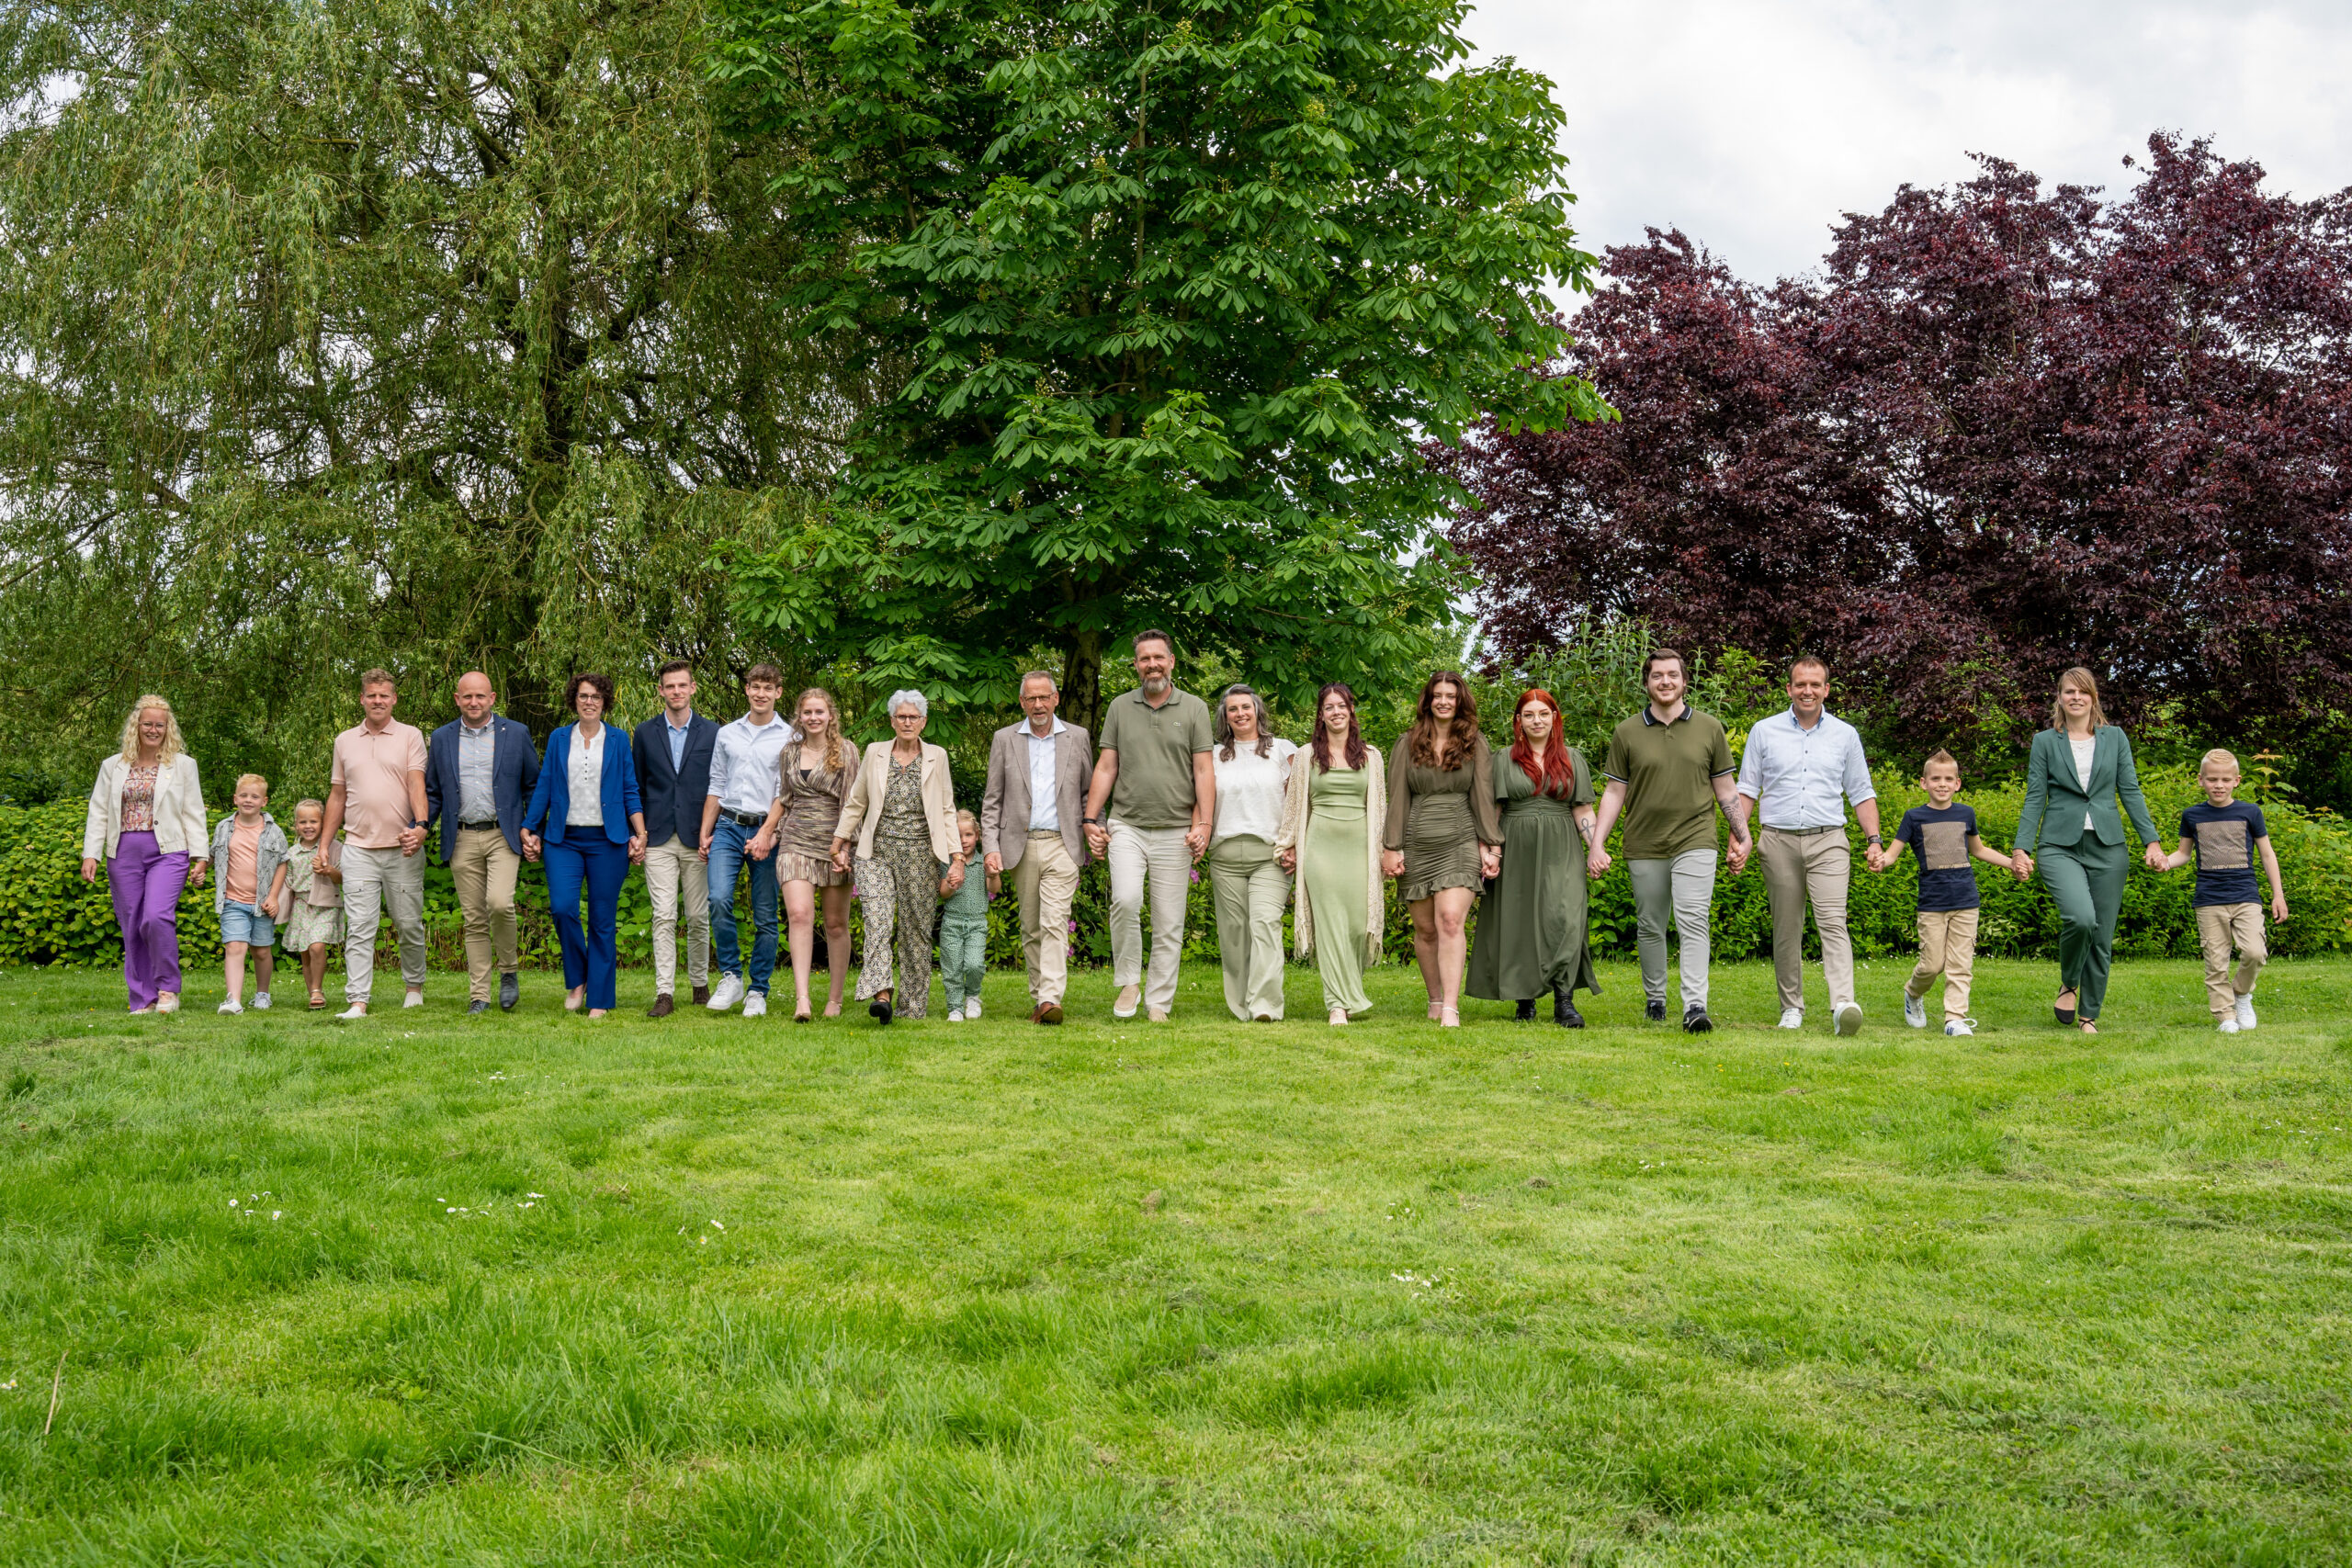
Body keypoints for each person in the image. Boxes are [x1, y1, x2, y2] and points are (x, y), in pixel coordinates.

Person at [1589, 649, 1747, 1033]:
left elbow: (1726, 790)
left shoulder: (1710, 727)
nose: (1665, 681)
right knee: (1650, 924)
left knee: (1693, 918)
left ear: (1684, 681)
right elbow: (1613, 792)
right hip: (1644, 841)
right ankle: (1655, 999)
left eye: (1672, 675)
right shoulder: (1627, 731)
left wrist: (1741, 837)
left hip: (1696, 837)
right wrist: (1597, 844)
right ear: (1646, 683)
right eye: (1657, 675)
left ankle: (1695, 1005)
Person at [1728, 657, 1882, 1035]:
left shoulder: (1845, 735)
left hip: (1829, 840)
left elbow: (1861, 792)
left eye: (1815, 684)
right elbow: (1746, 790)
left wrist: (1874, 840)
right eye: (1800, 684)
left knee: (1832, 922)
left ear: (1827, 689)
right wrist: (1738, 838)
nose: (1808, 691)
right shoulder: (1764, 732)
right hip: (1777, 840)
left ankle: (1843, 1003)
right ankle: (1791, 1007)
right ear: (1789, 689)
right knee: (1787, 927)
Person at [2011, 666, 2166, 1034]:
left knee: (2102, 934)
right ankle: (2068, 982)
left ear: (2093, 698)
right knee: (2080, 918)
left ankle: (2088, 1016)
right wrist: (2021, 848)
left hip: (2108, 846)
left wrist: (2152, 841)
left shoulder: (2115, 738)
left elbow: (2130, 790)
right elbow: (2035, 797)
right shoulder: (2045, 741)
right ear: (2060, 698)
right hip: (2058, 845)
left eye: (2083, 692)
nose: (2075, 698)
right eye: (2068, 692)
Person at [1083, 632, 1216, 1021]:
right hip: (1127, 825)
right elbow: (1107, 766)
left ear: (1172, 661)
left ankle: (1159, 1001)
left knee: (1169, 921)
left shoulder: (1194, 708)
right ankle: (1128, 981)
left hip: (1177, 830)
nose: (1152, 664)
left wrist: (1204, 824)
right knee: (1124, 900)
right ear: (1136, 664)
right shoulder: (1120, 707)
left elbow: (1204, 769)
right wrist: (1091, 819)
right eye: (1144, 659)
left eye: (1159, 657)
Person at [1466, 689, 1600, 1027]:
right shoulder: (1503, 758)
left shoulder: (1572, 758)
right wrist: (1492, 851)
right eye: (1529, 715)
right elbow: (1493, 810)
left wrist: (1596, 847)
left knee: (1566, 918)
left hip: (1562, 847)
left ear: (1555, 717)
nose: (1536, 720)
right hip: (1515, 844)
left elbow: (1583, 808)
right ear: (1519, 721)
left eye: (1543, 713)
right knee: (1519, 920)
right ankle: (1524, 1001)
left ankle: (1564, 1001)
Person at [519, 672, 648, 1019]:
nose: (589, 701)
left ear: (605, 702)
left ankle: (600, 999)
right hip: (564, 840)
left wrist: (641, 833)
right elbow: (545, 785)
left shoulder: (619, 740)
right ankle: (578, 980)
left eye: (596, 696)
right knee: (562, 908)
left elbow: (630, 789)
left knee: (602, 920)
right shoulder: (560, 738)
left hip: (609, 841)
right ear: (573, 700)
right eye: (583, 695)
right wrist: (529, 827)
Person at [832, 690, 963, 1024]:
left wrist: (957, 856)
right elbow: (857, 801)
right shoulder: (875, 753)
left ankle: (912, 1005)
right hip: (875, 851)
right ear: (892, 721)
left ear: (924, 722)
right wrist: (840, 839)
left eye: (913, 717)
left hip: (921, 852)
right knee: (877, 919)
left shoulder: (938, 756)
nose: (907, 722)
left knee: (915, 931)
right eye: (901, 717)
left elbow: (947, 809)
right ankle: (882, 994)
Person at [1869, 750, 2017, 1036]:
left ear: (1958, 783)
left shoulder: (1966, 814)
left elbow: (1979, 850)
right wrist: (1880, 861)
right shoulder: (1913, 817)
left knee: (1961, 965)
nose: (1942, 783)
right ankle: (1912, 993)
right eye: (1935, 778)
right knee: (1932, 965)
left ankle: (1954, 1019)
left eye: (1948, 778)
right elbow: (1892, 854)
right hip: (1932, 905)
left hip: (1966, 901)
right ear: (1923, 783)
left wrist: (2011, 863)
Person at [1383, 671, 1501, 1028]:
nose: (1444, 701)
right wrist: (1392, 846)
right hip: (1418, 839)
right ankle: (1434, 999)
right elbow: (1397, 798)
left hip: (1460, 838)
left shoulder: (1474, 743)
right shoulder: (1407, 743)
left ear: (1460, 700)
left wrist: (1491, 845)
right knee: (1425, 929)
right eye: (1438, 695)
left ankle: (1451, 1006)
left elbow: (1483, 796)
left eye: (1451, 695)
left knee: (1450, 920)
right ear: (1428, 701)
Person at [80, 695, 208, 1014]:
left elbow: (193, 813)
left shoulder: (183, 765)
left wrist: (200, 855)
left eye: (159, 725)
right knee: (132, 923)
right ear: (136, 726)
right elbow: (98, 811)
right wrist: (91, 853)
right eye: (147, 724)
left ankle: (168, 989)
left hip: (169, 851)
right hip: (122, 852)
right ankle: (143, 998)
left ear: (168, 728)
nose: (153, 730)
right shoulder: (113, 765)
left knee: (155, 916)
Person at [424, 671, 542, 1015]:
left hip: (502, 834)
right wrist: (421, 826)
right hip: (461, 836)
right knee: (474, 918)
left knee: (500, 904)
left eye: (480, 696)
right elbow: (433, 792)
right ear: (457, 699)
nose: (473, 702)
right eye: (467, 696)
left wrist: (533, 828)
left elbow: (533, 786)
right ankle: (480, 995)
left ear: (492, 698)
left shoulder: (516, 733)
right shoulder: (442, 738)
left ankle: (509, 972)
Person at [981, 671, 1093, 1025]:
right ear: (1022, 702)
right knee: (1031, 926)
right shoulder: (1005, 739)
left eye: (1044, 697)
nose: (1038, 704)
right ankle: (1039, 998)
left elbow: (1090, 793)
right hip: (1021, 844)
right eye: (1031, 699)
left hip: (1064, 842)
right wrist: (990, 847)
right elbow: (992, 801)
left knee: (1054, 921)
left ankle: (1050, 998)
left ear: (1056, 699)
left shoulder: (1077, 737)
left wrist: (1096, 827)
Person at [321, 670, 430, 1021]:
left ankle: (413, 988)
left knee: (408, 923)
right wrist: (325, 843)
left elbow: (417, 783)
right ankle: (358, 1001)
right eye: (371, 695)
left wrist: (422, 826)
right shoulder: (344, 740)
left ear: (394, 699)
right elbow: (338, 794)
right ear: (362, 699)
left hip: (402, 848)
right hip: (358, 849)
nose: (378, 701)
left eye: (384, 695)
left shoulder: (410, 736)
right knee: (360, 927)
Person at [1275, 683, 1385, 1026]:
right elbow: (1295, 805)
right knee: (1330, 924)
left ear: (1352, 710)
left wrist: (1383, 851)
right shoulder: (1307, 755)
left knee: (1355, 924)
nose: (1336, 712)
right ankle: (1337, 1002)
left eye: (1342, 706)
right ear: (1321, 715)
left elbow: (1379, 807)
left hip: (1359, 848)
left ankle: (1350, 991)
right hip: (1320, 847)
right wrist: (1288, 843)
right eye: (1328, 707)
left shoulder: (1373, 756)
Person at [2160, 748, 2289, 1033]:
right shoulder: (2192, 815)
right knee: (2215, 962)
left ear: (2237, 781)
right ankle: (2226, 1016)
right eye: (2212, 779)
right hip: (2209, 900)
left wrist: (2277, 895)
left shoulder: (2250, 812)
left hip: (2246, 897)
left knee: (2255, 952)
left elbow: (2267, 855)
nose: (2219, 785)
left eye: (2225, 780)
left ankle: (2242, 994)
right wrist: (2164, 863)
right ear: (2201, 780)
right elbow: (2183, 854)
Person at [698, 664, 797, 1017]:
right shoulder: (727, 734)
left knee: (766, 915)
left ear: (778, 693)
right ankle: (731, 976)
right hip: (727, 825)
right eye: (755, 687)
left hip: (766, 828)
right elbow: (716, 783)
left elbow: (784, 792)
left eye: (768, 688)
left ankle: (758, 990)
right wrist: (705, 831)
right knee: (720, 898)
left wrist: (766, 834)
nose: (760, 693)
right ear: (746, 690)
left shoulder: (790, 736)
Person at [1204, 684, 1296, 1021]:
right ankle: (1241, 1005)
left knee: (1264, 924)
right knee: (1233, 933)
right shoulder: (1213, 756)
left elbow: (1298, 804)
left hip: (1269, 855)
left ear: (1258, 710)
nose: (1240, 713)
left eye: (1246, 707)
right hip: (1225, 855)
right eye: (1233, 709)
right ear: (1225, 717)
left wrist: (1294, 845)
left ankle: (1265, 1007)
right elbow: (1201, 802)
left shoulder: (1283, 750)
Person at [631, 661, 718, 1018]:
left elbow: (719, 785)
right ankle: (664, 992)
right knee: (663, 915)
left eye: (682, 685)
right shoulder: (645, 732)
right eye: (670, 686)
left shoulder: (713, 733)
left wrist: (712, 831)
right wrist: (636, 834)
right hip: (658, 835)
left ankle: (699, 983)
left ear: (693, 688)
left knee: (698, 915)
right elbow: (635, 784)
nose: (676, 692)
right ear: (661, 691)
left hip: (699, 835)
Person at [769, 688, 856, 1022]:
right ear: (800, 716)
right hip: (795, 841)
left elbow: (853, 802)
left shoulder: (846, 751)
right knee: (800, 914)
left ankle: (834, 999)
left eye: (819, 712)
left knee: (835, 924)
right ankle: (802, 999)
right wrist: (772, 832)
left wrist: (845, 846)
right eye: (807, 712)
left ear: (830, 715)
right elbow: (785, 796)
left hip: (834, 843)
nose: (813, 718)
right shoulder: (789, 752)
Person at [209, 773, 289, 1014]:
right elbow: (212, 854)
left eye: (254, 796)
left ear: (264, 801)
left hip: (262, 903)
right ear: (235, 798)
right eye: (243, 795)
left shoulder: (274, 831)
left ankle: (262, 993)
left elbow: (283, 863)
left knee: (262, 951)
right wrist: (200, 868)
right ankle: (233, 1000)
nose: (248, 800)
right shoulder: (224, 827)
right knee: (235, 947)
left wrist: (274, 896)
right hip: (232, 900)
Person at [281, 799, 344, 1010]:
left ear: (324, 822)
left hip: (325, 904)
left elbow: (343, 877)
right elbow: (287, 883)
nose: (308, 826)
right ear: (296, 825)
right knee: (305, 952)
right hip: (300, 905)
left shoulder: (333, 848)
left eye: (314, 821)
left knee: (317, 945)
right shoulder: (291, 853)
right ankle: (313, 994)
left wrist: (328, 870)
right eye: (303, 822)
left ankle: (317, 988)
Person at [940, 809, 996, 1021]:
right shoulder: (947, 862)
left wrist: (993, 874)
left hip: (976, 924)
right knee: (952, 967)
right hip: (952, 923)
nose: (963, 841)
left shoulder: (984, 862)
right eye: (958, 836)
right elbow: (942, 893)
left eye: (968, 835)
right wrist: (952, 884)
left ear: (977, 835)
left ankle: (972, 997)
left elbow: (995, 889)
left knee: (974, 964)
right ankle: (954, 1007)